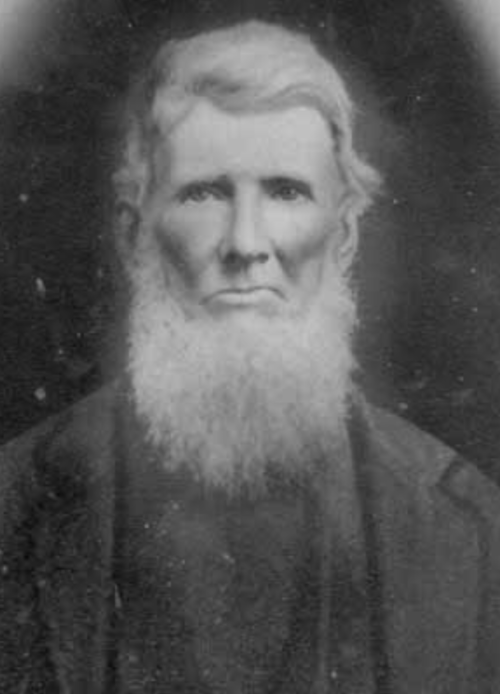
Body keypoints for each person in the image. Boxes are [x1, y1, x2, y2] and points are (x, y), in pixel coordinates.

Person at [1, 19, 500, 694]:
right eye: (204, 193)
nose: (245, 242)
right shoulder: (14, 506)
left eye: (286, 192)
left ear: (345, 234)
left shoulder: (469, 530)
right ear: (132, 232)